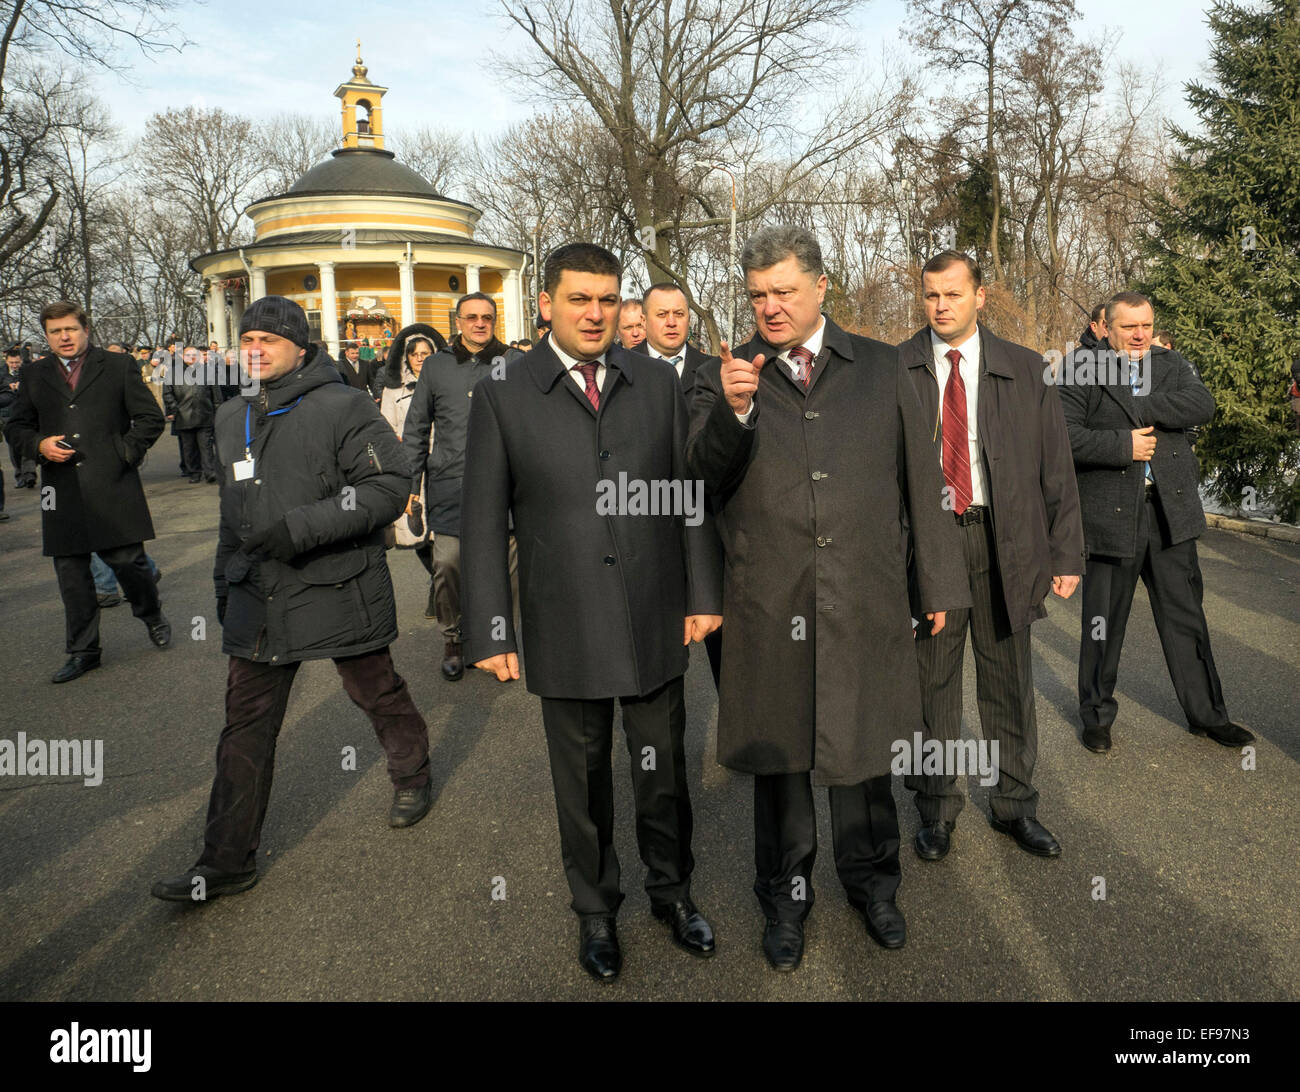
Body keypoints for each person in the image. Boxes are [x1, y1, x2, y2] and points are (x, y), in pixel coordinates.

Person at [685, 225, 968, 969]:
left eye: (783, 291)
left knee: (865, 750)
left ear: (821, 287)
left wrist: (936, 582)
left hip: (865, 593)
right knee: (781, 760)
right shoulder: (724, 375)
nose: (770, 308)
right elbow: (698, 483)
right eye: (756, 296)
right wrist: (733, 413)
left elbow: (923, 482)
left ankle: (874, 885)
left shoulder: (883, 367)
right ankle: (784, 902)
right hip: (771, 599)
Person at [462, 243, 722, 982]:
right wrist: (490, 628)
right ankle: (596, 912)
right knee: (580, 783)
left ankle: (673, 894)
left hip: (654, 612)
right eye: (579, 299)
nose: (595, 313)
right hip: (564, 618)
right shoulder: (505, 389)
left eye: (608, 300)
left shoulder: (655, 381)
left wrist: (703, 594)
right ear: (546, 303)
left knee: (663, 769)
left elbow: (687, 495)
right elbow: (482, 521)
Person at [150, 296, 433, 903]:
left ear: (300, 349)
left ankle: (412, 773)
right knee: (245, 725)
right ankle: (224, 861)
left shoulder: (343, 404)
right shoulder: (231, 417)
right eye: (246, 340)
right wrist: (226, 581)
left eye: (268, 342)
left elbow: (388, 485)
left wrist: (302, 528)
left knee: (375, 691)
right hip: (259, 594)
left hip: (337, 583)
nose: (254, 350)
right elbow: (235, 509)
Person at [897, 251, 1084, 862]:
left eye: (954, 293)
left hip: (1005, 542)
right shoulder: (897, 368)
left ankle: (1015, 805)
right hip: (933, 545)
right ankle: (936, 808)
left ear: (981, 296)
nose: (942, 305)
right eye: (931, 295)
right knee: (934, 686)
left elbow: (1056, 468)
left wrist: (1066, 554)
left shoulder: (1026, 370)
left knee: (1008, 682)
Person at [1059, 291, 1253, 753]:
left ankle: (1208, 716)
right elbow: (1063, 436)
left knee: (1186, 619)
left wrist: (1143, 409)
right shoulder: (1078, 367)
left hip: (1170, 513)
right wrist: (1122, 446)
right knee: (1103, 622)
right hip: (1110, 515)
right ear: (1105, 327)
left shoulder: (1171, 363)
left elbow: (1201, 405)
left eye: (1146, 325)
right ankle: (1097, 717)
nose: (1141, 334)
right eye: (1129, 327)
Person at [6, 301, 170, 682]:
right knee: (71, 574)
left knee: (128, 561)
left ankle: (151, 613)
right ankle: (84, 651)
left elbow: (149, 418)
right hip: (60, 490)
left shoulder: (117, 366)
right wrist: (39, 445)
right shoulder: (34, 374)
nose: (64, 337)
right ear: (46, 336)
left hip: (112, 483)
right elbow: (16, 426)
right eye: (55, 331)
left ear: (86, 329)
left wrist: (124, 452)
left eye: (70, 329)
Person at [402, 295, 519, 681]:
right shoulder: (436, 366)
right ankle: (453, 638)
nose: (479, 324)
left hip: (505, 486)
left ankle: (496, 638)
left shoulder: (513, 363)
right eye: (471, 317)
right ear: (458, 321)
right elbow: (416, 428)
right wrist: (411, 486)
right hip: (451, 484)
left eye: (487, 317)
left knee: (507, 568)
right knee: (448, 563)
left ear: (495, 320)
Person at [633, 282, 724, 686]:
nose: (671, 322)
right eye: (661, 314)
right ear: (644, 320)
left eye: (679, 314)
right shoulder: (621, 369)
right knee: (659, 666)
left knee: (728, 654)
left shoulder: (715, 370)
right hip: (647, 521)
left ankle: (737, 746)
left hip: (710, 521)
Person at [379, 334, 436, 568]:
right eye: (415, 354)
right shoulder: (394, 390)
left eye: (425, 354)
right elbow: (385, 426)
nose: (420, 359)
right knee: (417, 529)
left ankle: (443, 585)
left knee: (445, 532)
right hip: (411, 463)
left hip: (442, 460)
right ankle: (436, 579)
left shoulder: (444, 382)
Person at [163, 346, 217, 483]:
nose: (192, 358)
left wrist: (217, 411)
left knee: (206, 446)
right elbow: (167, 393)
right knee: (189, 447)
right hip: (184, 416)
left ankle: (210, 472)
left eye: (194, 355)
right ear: (182, 356)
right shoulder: (172, 373)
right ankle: (194, 472)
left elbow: (216, 395)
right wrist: (175, 409)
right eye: (188, 355)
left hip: (205, 414)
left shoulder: (208, 371)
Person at [3, 346, 37, 488]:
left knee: (28, 441)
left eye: (17, 362)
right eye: (12, 363)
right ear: (7, 361)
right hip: (8, 415)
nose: (15, 365)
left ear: (21, 361)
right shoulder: (1, 374)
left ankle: (30, 474)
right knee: (14, 448)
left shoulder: (29, 372)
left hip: (27, 413)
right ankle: (19, 474)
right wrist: (9, 389)